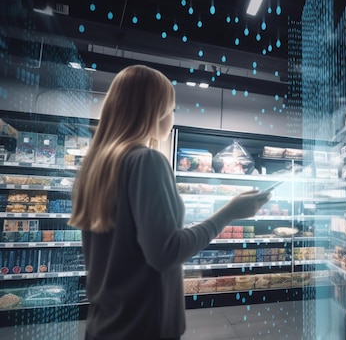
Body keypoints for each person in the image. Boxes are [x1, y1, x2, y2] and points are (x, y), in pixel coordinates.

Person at [68, 65, 271, 340]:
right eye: (172, 109)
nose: (172, 118)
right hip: (144, 328)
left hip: (104, 326)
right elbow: (166, 252)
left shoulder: (95, 168)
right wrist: (229, 213)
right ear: (154, 111)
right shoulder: (146, 161)